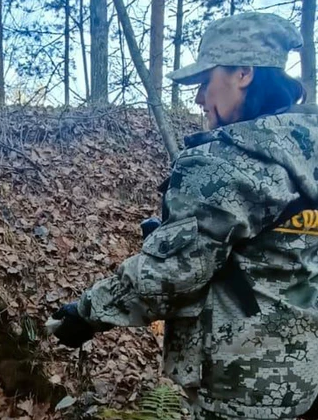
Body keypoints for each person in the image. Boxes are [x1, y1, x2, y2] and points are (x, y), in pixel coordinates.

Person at [47, 12, 318, 420]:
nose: (197, 98)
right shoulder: (308, 151)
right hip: (306, 372)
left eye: (205, 82)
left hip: (241, 384)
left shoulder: (225, 162)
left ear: (243, 73)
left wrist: (86, 313)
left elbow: (171, 273)